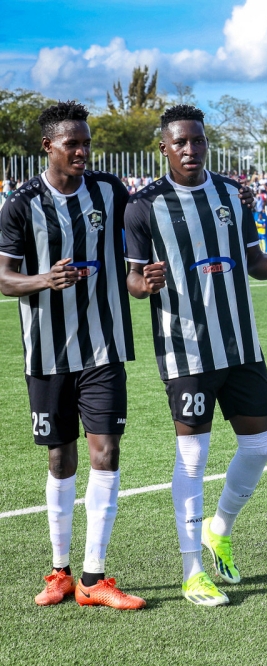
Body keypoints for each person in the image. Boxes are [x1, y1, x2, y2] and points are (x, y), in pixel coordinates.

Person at [125, 105, 267, 606]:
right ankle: (192, 572)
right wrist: (146, 282)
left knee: (260, 446)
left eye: (198, 140)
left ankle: (217, 529)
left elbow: (253, 262)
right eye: (180, 142)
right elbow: (133, 279)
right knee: (194, 457)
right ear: (164, 147)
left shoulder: (230, 194)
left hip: (242, 345)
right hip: (186, 351)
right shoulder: (144, 206)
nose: (190, 149)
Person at [0, 101, 145, 610]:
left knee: (106, 452)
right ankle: (59, 571)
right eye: (72, 144)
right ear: (48, 147)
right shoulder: (20, 204)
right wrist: (45, 279)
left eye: (86, 142)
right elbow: (2, 277)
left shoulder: (110, 190)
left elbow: (144, 231)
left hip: (103, 347)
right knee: (60, 456)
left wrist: (140, 277)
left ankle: (94, 577)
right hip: (46, 353)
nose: (83, 151)